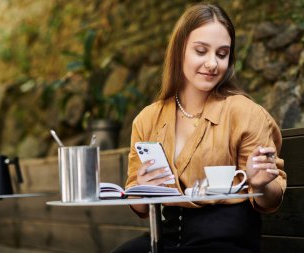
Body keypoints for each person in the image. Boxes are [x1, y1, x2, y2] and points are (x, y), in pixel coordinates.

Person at [112, 3, 286, 253]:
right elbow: (139, 207)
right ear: (179, 50)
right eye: (201, 51)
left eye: (222, 54)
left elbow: (272, 199)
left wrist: (260, 185)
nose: (212, 63)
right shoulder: (147, 118)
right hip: (169, 237)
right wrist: (142, 189)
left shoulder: (244, 112)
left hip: (226, 240)